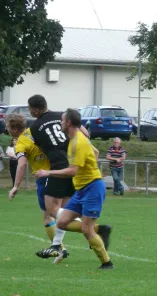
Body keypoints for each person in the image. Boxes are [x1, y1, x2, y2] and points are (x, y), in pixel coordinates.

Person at [28, 94, 109, 259]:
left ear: (35, 110)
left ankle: (94, 230)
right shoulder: (61, 115)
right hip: (74, 167)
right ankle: (60, 245)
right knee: (64, 212)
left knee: (51, 209)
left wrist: (47, 170)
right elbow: (83, 132)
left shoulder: (35, 126)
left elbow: (41, 149)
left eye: (29, 109)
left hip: (60, 166)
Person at [6, 114, 69, 264]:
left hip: (45, 177)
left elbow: (21, 164)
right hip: (60, 172)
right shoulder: (36, 130)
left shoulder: (21, 142)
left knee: (51, 216)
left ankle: (62, 247)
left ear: (14, 129)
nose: (6, 129)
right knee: (62, 213)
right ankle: (62, 247)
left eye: (7, 127)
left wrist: (15, 186)